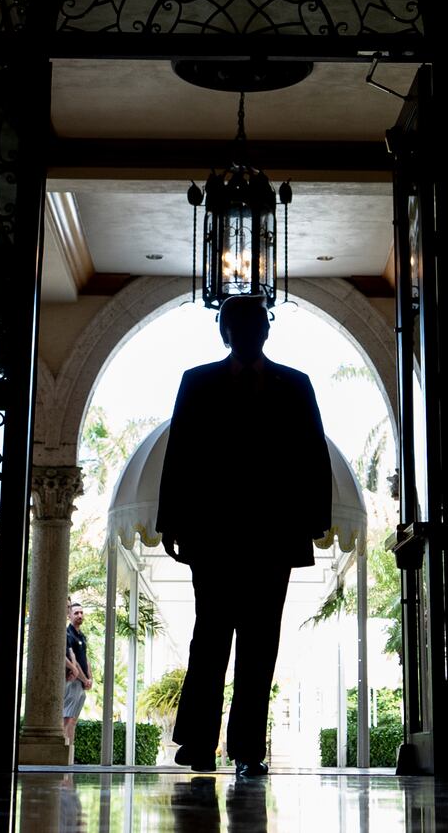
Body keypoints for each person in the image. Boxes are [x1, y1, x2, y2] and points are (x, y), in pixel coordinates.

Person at [156, 294, 332, 777]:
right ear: (226, 332)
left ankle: (248, 750)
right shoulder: (197, 382)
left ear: (265, 331)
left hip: (272, 536)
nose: (249, 331)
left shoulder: (296, 385)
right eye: (241, 323)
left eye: (255, 322)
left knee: (259, 642)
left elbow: (314, 453)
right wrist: (170, 520)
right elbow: (182, 453)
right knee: (209, 637)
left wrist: (315, 520)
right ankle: (198, 741)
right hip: (212, 534)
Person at [64, 602, 92, 746]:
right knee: (68, 718)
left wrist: (90, 678)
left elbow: (85, 658)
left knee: (73, 719)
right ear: (69, 616)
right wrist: (84, 678)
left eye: (81, 612)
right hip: (73, 681)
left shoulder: (82, 636)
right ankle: (65, 748)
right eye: (76, 613)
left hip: (81, 683)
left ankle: (70, 751)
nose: (80, 615)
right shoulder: (68, 634)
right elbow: (74, 661)